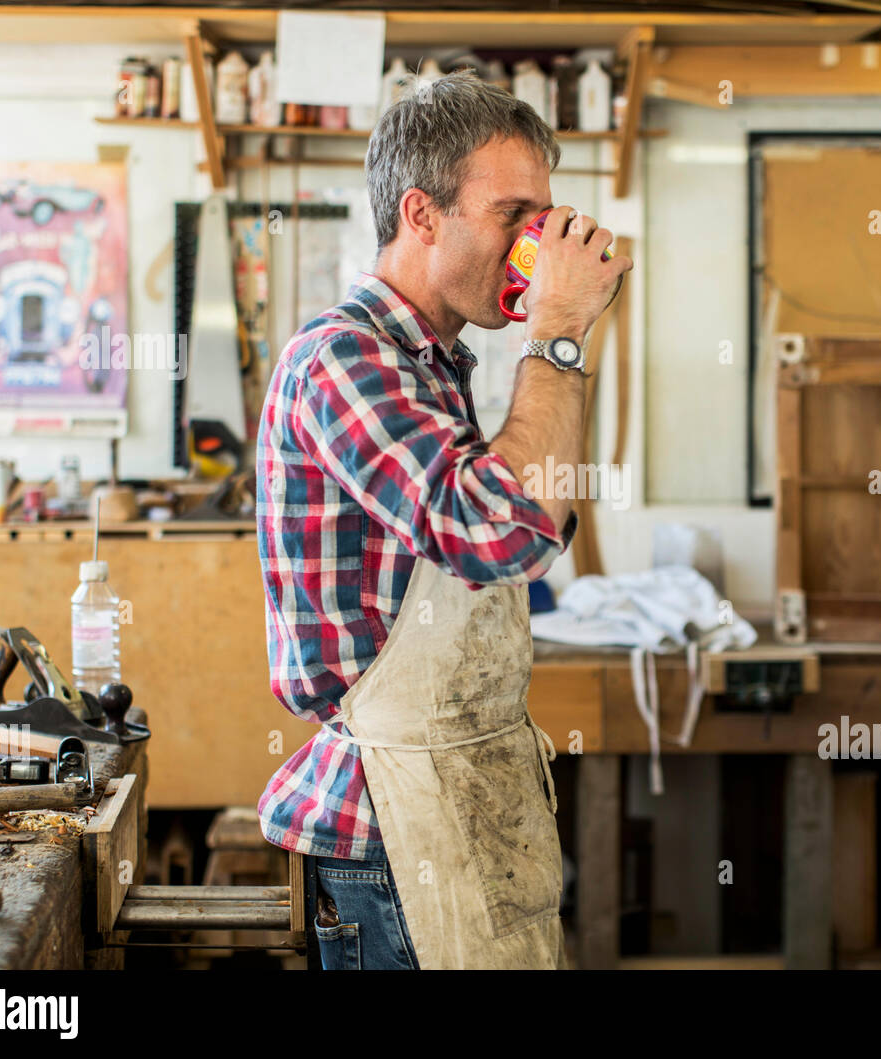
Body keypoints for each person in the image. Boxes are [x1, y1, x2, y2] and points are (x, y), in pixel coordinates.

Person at [255, 70, 632, 969]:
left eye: (544, 216)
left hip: (463, 800)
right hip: (393, 833)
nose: (538, 245)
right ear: (422, 215)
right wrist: (561, 328)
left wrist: (561, 333)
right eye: (514, 217)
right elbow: (500, 530)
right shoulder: (343, 360)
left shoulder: (436, 366)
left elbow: (534, 522)